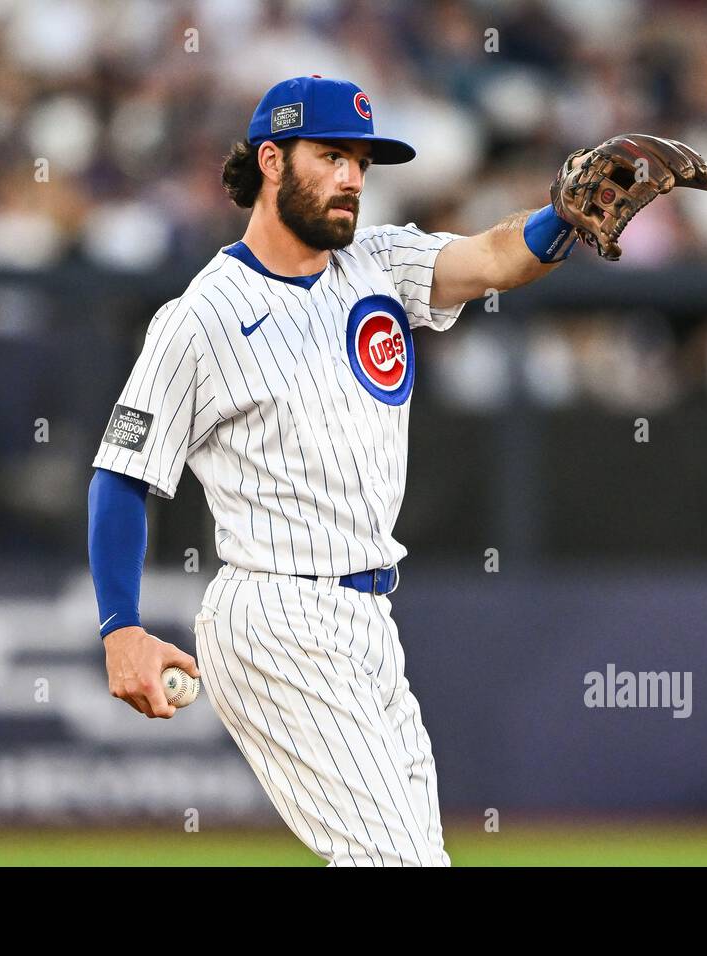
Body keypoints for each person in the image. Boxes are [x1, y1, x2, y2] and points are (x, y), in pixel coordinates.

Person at [87, 75, 580, 866]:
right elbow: (121, 476)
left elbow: (493, 258)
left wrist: (566, 219)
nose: (352, 177)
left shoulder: (374, 264)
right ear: (272, 161)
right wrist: (121, 628)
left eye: (361, 160)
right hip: (277, 613)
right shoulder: (201, 317)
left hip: (369, 618)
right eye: (331, 156)